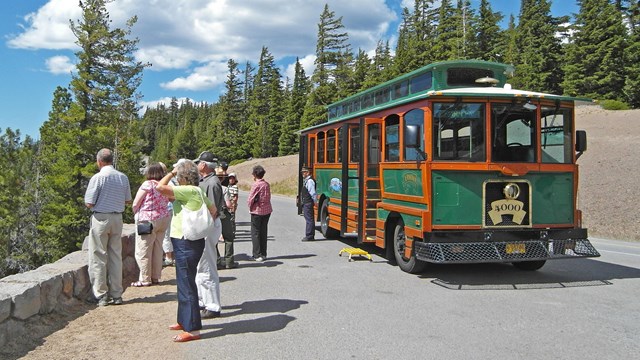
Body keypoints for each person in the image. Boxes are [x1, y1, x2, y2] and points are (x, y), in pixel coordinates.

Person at [156, 159, 215, 342]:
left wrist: (172, 172)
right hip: (191, 240)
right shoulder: (197, 191)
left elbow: (159, 187)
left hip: (185, 241)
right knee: (184, 282)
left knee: (187, 284)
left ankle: (193, 329)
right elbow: (213, 210)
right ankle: (183, 320)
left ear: (182, 177)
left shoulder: (188, 190)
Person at [84, 148, 132, 307]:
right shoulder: (122, 177)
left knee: (98, 255)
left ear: (99, 161)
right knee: (115, 256)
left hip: (101, 217)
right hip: (117, 217)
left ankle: (101, 294)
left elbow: (89, 202)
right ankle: (117, 294)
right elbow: (127, 200)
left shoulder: (97, 178)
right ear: (112, 160)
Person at [194, 151, 224, 319]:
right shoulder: (208, 181)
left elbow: (211, 211)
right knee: (201, 265)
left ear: (204, 165)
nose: (197, 165)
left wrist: (203, 228)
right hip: (205, 227)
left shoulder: (211, 183)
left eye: (199, 163)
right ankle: (202, 300)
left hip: (208, 227)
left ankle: (212, 305)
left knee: (207, 266)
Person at [131, 163, 171, 286]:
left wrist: (136, 211)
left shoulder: (147, 185)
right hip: (163, 218)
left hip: (148, 220)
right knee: (158, 249)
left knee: (143, 250)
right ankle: (155, 276)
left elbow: (135, 203)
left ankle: (145, 278)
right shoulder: (164, 185)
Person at [247, 165, 272, 261]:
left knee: (255, 233)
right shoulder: (266, 184)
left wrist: (250, 206)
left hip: (257, 210)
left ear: (254, 174)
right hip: (267, 210)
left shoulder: (256, 185)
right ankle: (263, 253)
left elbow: (250, 199)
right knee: (263, 231)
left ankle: (257, 254)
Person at [216, 168, 238, 269]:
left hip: (211, 214)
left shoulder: (207, 186)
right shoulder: (224, 189)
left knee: (213, 239)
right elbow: (228, 204)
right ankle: (229, 261)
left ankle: (217, 260)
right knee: (228, 238)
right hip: (223, 213)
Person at [300, 166, 318, 241]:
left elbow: (312, 193)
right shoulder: (307, 181)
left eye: (304, 172)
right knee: (309, 218)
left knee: (309, 219)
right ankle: (310, 235)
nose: (302, 174)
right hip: (307, 202)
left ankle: (309, 236)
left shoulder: (310, 181)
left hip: (308, 202)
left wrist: (315, 202)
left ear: (308, 172)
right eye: (302, 172)